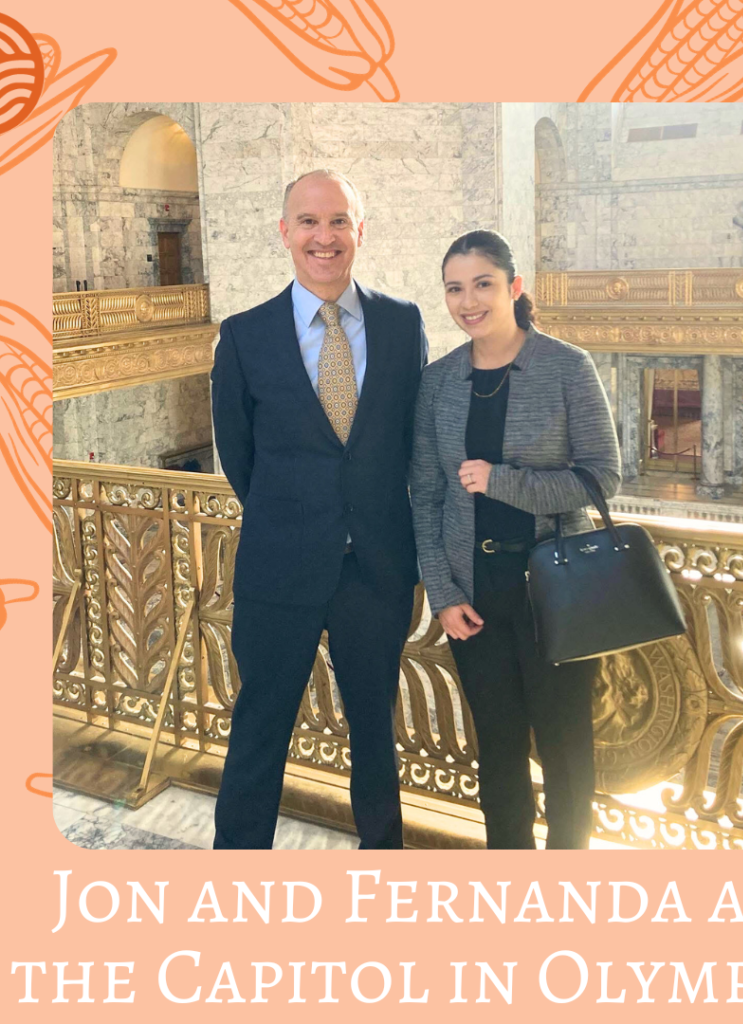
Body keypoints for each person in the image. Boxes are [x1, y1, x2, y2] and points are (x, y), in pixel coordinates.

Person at [210, 169, 428, 849]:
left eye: (338, 221)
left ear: (360, 231)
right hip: (280, 571)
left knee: (374, 732)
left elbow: (409, 444)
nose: (324, 236)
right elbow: (240, 458)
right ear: (285, 233)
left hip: (377, 570)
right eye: (308, 222)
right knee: (259, 732)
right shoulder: (245, 337)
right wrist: (299, 518)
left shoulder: (402, 324)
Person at [410, 230, 621, 850]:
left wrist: (504, 483)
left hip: (555, 594)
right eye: (455, 288)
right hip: (475, 600)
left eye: (483, 285)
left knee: (566, 754)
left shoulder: (566, 366)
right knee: (498, 753)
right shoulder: (439, 381)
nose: (468, 301)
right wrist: (443, 595)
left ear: (514, 288)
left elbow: (601, 476)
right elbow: (425, 494)